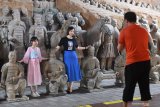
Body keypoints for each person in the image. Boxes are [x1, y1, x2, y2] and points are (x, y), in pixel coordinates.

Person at [118, 11, 151, 107]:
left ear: (126, 20)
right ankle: (146, 105)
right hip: (145, 62)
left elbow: (119, 49)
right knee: (144, 86)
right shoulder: (144, 30)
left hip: (133, 63)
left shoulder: (124, 31)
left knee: (129, 87)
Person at [56, 26, 88, 93]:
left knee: (73, 70)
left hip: (73, 55)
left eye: (73, 31)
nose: (72, 32)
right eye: (71, 31)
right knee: (68, 70)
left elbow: (78, 47)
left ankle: (70, 87)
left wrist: (85, 48)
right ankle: (68, 86)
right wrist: (53, 51)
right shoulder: (63, 39)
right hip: (67, 55)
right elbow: (58, 47)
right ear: (68, 31)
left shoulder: (74, 40)